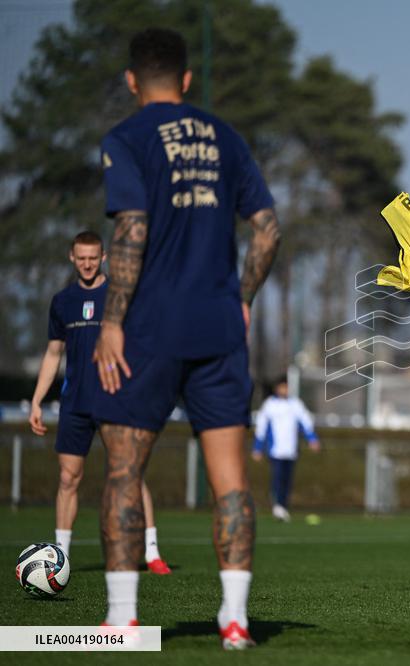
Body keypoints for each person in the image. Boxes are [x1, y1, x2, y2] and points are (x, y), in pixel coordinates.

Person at [90, 28, 279, 649]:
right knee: (231, 482)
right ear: (188, 80)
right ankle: (235, 621)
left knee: (124, 471)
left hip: (148, 329)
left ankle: (123, 621)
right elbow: (267, 230)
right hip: (220, 327)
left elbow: (133, 228)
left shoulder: (126, 138)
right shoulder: (225, 136)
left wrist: (112, 320)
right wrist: (243, 300)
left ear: (132, 81)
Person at [28, 231, 171, 575]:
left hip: (117, 400)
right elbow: (52, 354)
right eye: (82, 258)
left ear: (103, 256)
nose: (88, 263)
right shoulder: (62, 301)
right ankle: (59, 558)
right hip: (74, 402)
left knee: (130, 473)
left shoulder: (120, 296)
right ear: (71, 258)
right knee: (67, 477)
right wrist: (36, 401)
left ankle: (151, 551)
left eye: (94, 257)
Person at [252, 377, 321, 522]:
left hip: (291, 450)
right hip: (275, 451)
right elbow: (261, 427)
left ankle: (283, 507)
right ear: (277, 388)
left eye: (287, 387)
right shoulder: (269, 405)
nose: (285, 390)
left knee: (287, 481)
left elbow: (305, 423)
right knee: (277, 479)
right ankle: (278, 506)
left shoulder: (295, 404)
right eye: (282, 387)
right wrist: (257, 448)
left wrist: (312, 439)